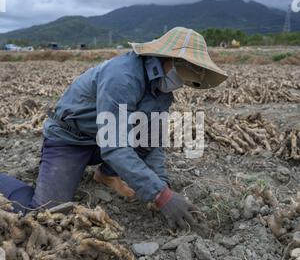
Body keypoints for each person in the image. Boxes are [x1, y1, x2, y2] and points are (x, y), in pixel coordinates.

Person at [0, 27, 227, 230]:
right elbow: (115, 146)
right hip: (70, 138)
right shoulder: (124, 76)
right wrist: (161, 196)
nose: (183, 81)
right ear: (169, 59)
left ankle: (106, 175)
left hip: (104, 138)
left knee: (147, 135)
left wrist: (162, 184)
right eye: (184, 72)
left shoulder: (162, 89)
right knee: (44, 214)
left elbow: (153, 142)